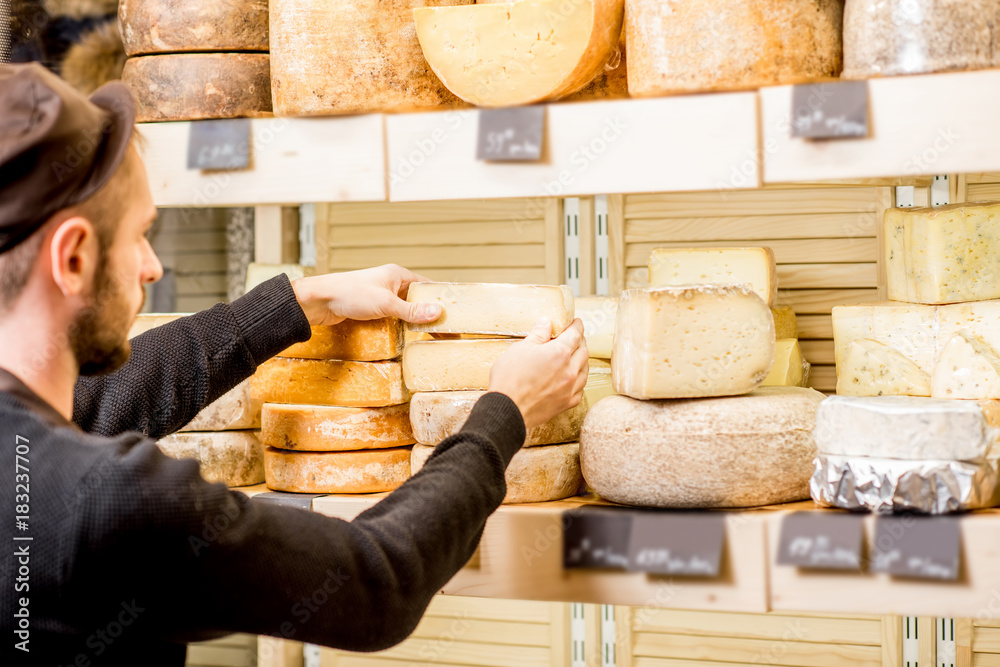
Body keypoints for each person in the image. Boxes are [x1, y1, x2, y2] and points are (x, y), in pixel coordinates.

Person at [0, 63, 589, 666]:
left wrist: (303, 302)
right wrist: (504, 416)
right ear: (71, 258)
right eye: (138, 237)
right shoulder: (114, 504)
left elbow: (103, 401)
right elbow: (376, 581)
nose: (151, 266)